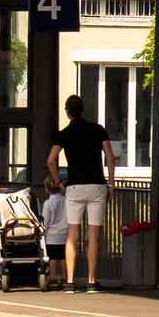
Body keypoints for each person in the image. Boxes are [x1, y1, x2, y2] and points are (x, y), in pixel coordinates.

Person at [46, 93, 115, 293]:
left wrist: (59, 182)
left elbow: (51, 160)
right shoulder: (98, 130)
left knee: (72, 235)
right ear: (83, 110)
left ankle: (69, 282)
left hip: (74, 187)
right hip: (97, 185)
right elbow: (110, 157)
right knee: (93, 234)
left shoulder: (64, 134)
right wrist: (110, 184)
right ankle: (92, 282)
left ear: (67, 112)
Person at [41, 174, 69, 290]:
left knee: (52, 258)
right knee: (63, 257)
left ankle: (53, 278)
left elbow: (45, 220)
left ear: (47, 189)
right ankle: (65, 278)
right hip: (65, 232)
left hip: (52, 234)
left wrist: (44, 230)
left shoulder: (48, 203)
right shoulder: (65, 200)